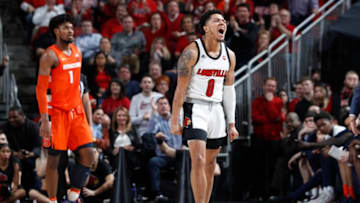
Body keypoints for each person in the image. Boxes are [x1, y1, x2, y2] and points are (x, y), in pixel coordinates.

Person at [170, 10, 238, 203]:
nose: (222, 23)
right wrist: (175, 119)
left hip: (216, 109)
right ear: (206, 28)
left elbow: (229, 90)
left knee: (210, 163)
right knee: (198, 159)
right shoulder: (191, 52)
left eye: (224, 20)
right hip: (195, 107)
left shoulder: (230, 56)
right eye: (217, 20)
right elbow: (180, 89)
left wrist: (231, 123)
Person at [35, 14, 95, 203]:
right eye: (66, 28)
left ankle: (74, 192)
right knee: (54, 161)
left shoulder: (77, 51)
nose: (71, 31)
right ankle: (52, 199)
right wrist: (45, 120)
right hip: (57, 114)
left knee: (89, 154)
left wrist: (85, 114)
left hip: (76, 113)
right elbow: (41, 90)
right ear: (56, 31)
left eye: (71, 28)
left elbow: (77, 85)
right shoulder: (49, 55)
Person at [146, 97, 182, 200]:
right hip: (163, 156)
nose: (163, 106)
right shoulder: (155, 120)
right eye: (160, 104)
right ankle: (157, 194)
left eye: (165, 103)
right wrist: (157, 137)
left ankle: (185, 191)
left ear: (169, 106)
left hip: (178, 154)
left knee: (187, 160)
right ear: (157, 108)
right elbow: (149, 136)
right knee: (153, 162)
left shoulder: (178, 119)